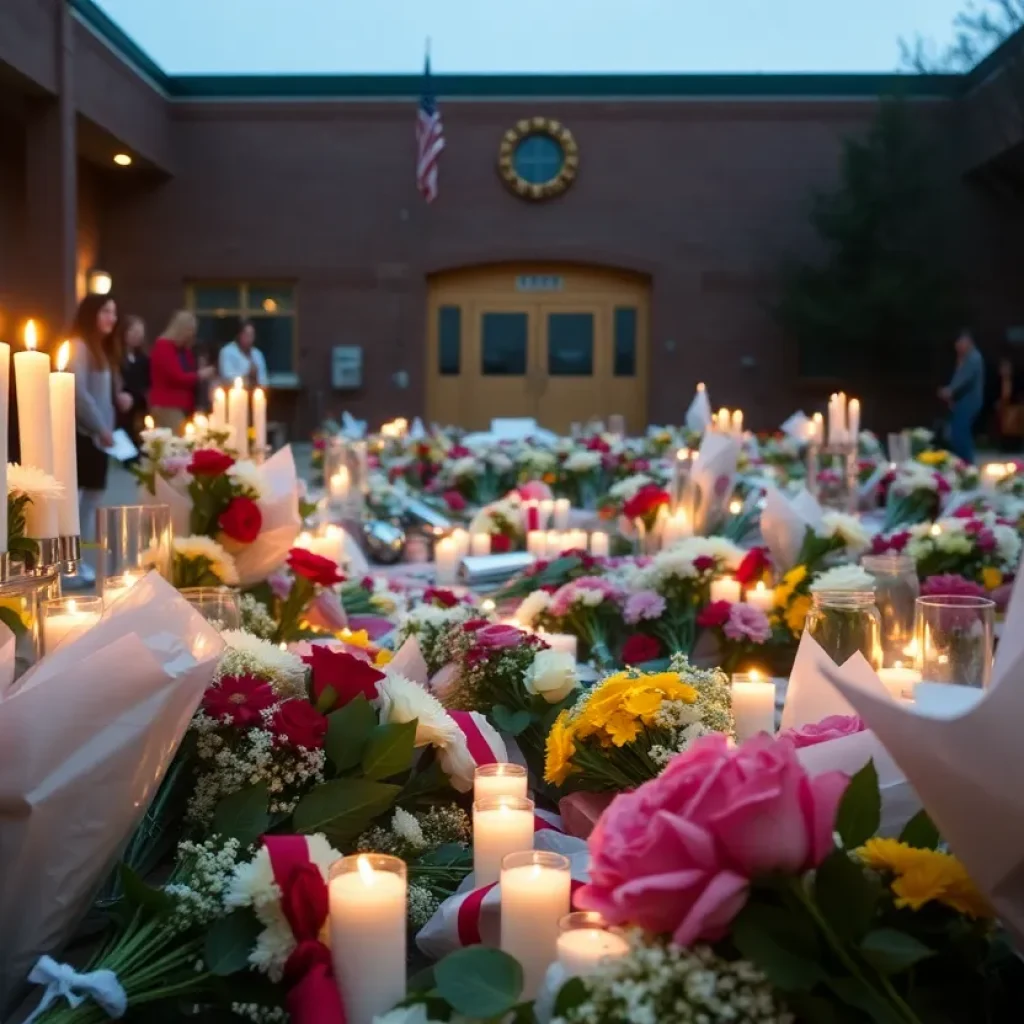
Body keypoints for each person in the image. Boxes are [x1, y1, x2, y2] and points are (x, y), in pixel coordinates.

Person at [67, 294, 131, 584]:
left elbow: (99, 391)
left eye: (114, 312)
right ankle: (71, 564)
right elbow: (78, 393)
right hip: (85, 434)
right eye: (106, 311)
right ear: (91, 313)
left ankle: (78, 562)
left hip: (98, 435)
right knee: (80, 499)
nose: (112, 318)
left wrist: (119, 397)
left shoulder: (100, 349)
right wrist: (100, 427)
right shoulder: (78, 346)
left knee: (91, 499)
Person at [149, 311, 215, 431]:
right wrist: (200, 375)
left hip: (184, 405)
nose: (192, 334)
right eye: (189, 330)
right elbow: (177, 377)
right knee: (177, 443)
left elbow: (190, 370)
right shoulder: (163, 347)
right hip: (168, 405)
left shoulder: (183, 350)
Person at [939, 329, 985, 464]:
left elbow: (964, 378)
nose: (957, 347)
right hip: (962, 400)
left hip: (969, 401)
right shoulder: (966, 358)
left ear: (967, 341)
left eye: (960, 343)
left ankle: (966, 463)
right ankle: (963, 462)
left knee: (960, 433)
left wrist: (949, 391)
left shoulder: (973, 358)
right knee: (958, 432)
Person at [117, 314, 149, 459]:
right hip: (120, 407)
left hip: (138, 405)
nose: (137, 337)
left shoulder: (143, 358)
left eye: (140, 333)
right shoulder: (116, 356)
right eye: (133, 332)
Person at [218, 319, 268, 388]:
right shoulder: (227, 351)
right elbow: (227, 378)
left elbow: (264, 381)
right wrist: (248, 375)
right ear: (239, 334)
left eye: (252, 335)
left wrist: (256, 379)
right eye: (246, 335)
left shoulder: (258, 354)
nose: (249, 338)